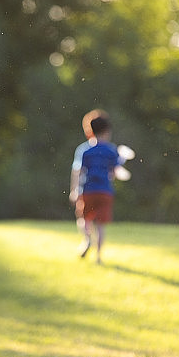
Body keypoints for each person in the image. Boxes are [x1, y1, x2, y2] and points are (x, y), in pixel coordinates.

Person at [69, 109, 123, 264]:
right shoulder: (112, 150)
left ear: (89, 130)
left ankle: (87, 239)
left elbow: (77, 171)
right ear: (106, 131)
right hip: (105, 191)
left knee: (83, 219)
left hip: (88, 190)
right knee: (100, 225)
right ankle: (98, 257)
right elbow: (114, 171)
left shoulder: (84, 150)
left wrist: (74, 190)